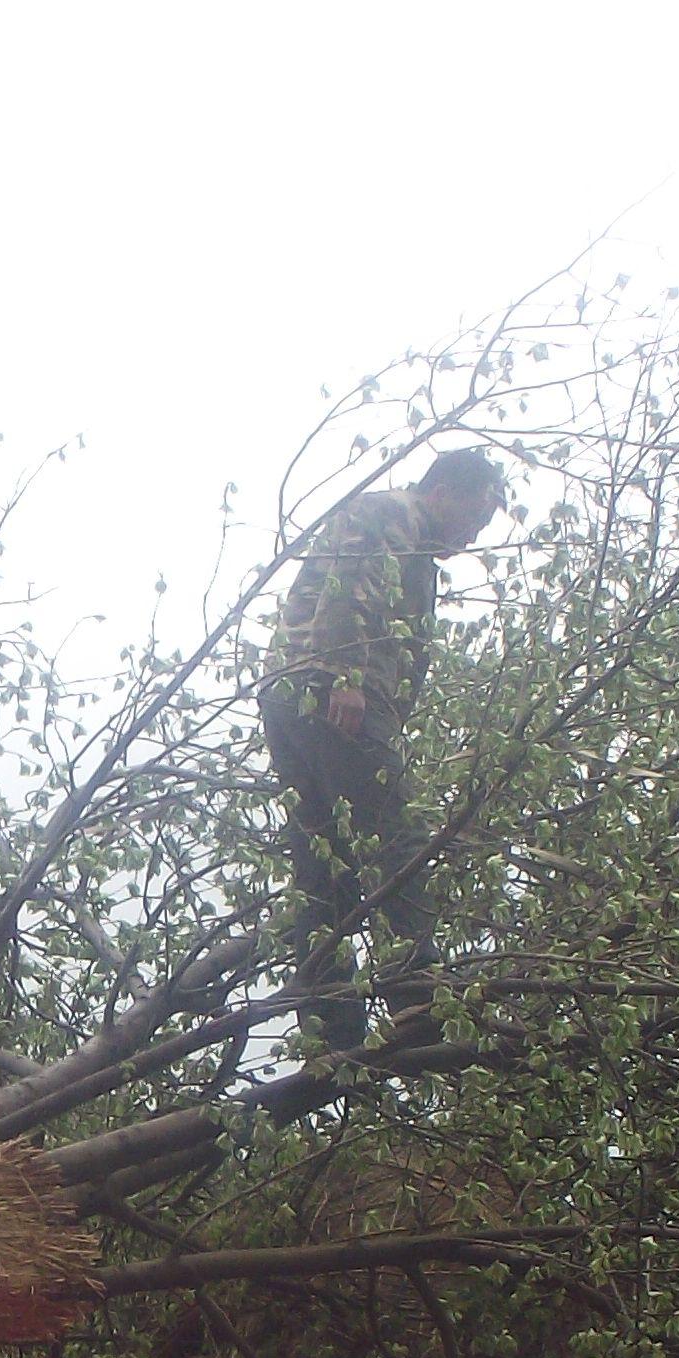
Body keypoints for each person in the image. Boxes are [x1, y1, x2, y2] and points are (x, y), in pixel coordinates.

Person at [256, 445, 507, 1053]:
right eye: (469, 520)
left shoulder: (409, 539)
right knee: (395, 839)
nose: (468, 538)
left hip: (292, 697)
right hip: (331, 694)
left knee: (324, 861)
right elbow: (351, 588)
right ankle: (416, 996)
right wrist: (348, 677)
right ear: (441, 491)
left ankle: (328, 1024)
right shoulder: (393, 517)